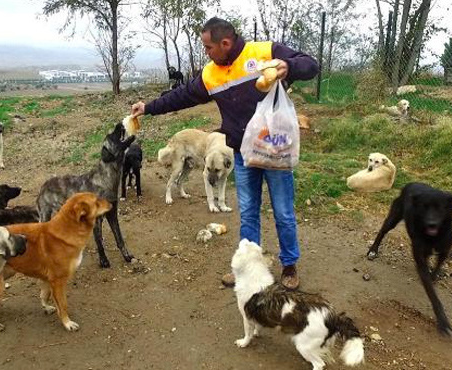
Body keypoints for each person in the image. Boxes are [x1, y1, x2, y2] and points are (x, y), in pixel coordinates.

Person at [131, 17, 319, 290]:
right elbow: (182, 95)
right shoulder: (211, 73)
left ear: (225, 43)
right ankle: (246, 267)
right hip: (243, 152)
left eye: (208, 47)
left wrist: (288, 66)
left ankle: (289, 265)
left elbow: (311, 65)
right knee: (248, 212)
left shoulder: (263, 52)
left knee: (283, 212)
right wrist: (148, 107)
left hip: (275, 150)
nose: (206, 52)